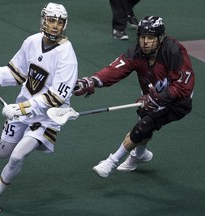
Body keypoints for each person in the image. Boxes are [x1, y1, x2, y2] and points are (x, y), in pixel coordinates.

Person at [0, 2, 78, 214]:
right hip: (22, 109)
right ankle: (31, 140)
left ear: (65, 25)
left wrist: (24, 108)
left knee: (17, 156)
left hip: (47, 117)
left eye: (60, 22)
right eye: (51, 20)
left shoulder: (67, 56)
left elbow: (57, 96)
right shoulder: (32, 42)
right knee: (3, 153)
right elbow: (16, 73)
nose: (55, 26)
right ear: (43, 20)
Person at [74, 16, 194, 177]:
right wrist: (93, 80)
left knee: (142, 126)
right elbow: (116, 69)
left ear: (160, 38)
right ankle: (140, 155)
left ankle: (111, 162)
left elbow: (183, 86)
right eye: (142, 37)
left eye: (150, 38)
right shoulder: (136, 52)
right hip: (151, 96)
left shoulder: (173, 51)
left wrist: (156, 99)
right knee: (144, 120)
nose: (145, 42)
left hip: (178, 102)